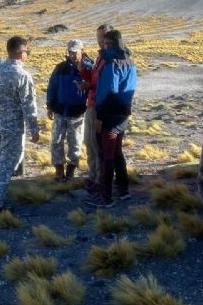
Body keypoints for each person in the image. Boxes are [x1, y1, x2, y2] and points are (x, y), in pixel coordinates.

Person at [0, 36, 39, 216]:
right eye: (26, 51)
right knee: (6, 166)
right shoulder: (22, 75)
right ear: (22, 53)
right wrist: (34, 129)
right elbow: (29, 105)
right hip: (11, 128)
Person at [85, 30, 137, 208]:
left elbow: (108, 91)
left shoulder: (111, 63)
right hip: (123, 113)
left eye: (107, 44)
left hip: (109, 115)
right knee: (117, 153)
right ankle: (124, 191)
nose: (104, 47)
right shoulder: (130, 61)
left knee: (105, 156)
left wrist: (100, 116)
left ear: (113, 44)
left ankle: (105, 197)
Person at [46, 39, 92, 182]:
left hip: (77, 112)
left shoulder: (89, 69)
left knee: (75, 142)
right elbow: (52, 86)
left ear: (82, 51)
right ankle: (59, 170)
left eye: (75, 52)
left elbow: (94, 87)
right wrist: (49, 105)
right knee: (56, 140)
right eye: (70, 52)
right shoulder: (60, 68)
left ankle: (71, 171)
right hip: (60, 111)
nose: (72, 55)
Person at [78, 24, 115, 190]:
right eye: (98, 37)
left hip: (101, 107)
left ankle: (101, 180)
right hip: (91, 104)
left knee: (98, 145)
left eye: (103, 36)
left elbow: (109, 87)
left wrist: (90, 86)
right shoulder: (100, 57)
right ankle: (93, 176)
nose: (100, 40)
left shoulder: (111, 60)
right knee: (89, 142)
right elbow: (94, 79)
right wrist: (83, 72)